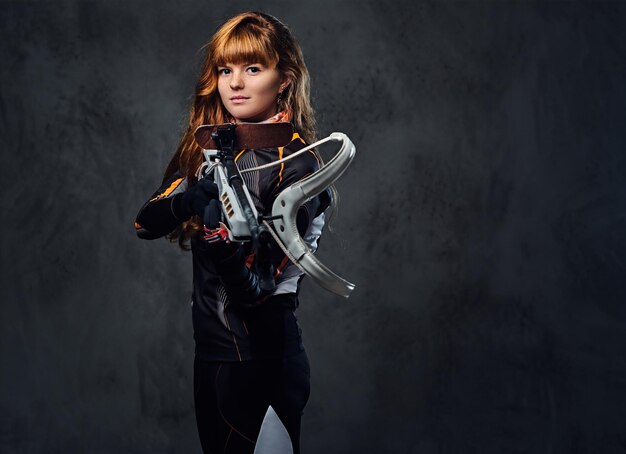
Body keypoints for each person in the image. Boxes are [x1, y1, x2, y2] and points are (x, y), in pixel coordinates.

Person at [134, 11, 335, 454]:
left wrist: (220, 242)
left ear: (284, 79)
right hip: (211, 355)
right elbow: (143, 223)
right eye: (225, 70)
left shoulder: (301, 166)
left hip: (263, 359)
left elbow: (256, 291)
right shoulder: (207, 148)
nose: (235, 83)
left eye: (252, 68)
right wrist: (186, 201)